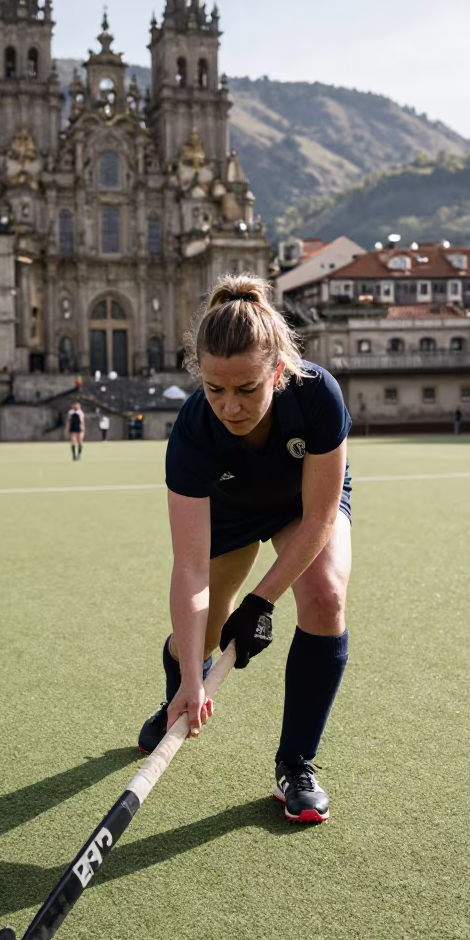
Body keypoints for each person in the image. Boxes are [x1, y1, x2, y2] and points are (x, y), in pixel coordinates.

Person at [137, 274, 352, 824]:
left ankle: (296, 764)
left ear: (277, 372)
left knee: (326, 597)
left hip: (302, 506)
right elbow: (189, 570)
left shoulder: (317, 395)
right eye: (215, 389)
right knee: (207, 632)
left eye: (247, 389)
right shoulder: (192, 432)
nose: (230, 407)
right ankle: (174, 695)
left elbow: (321, 517)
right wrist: (191, 677)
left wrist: (262, 602)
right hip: (230, 508)